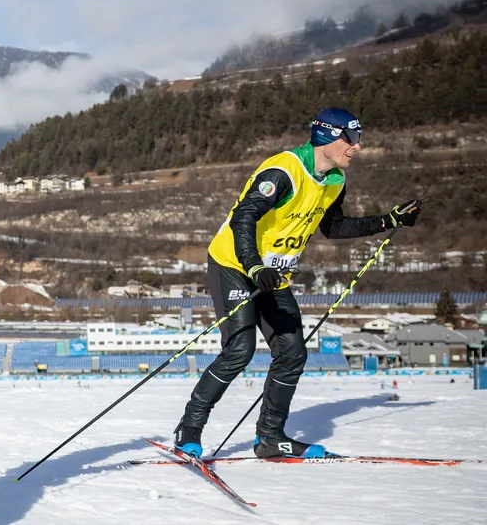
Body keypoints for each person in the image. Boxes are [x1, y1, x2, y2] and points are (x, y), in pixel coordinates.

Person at [173, 108, 424, 459]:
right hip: (234, 264)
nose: (357, 146)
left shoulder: (334, 179)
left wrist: (388, 221)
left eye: (359, 138)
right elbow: (243, 217)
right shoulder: (284, 170)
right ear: (327, 136)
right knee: (238, 351)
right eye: (351, 138)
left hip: (272, 274)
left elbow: (333, 227)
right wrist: (254, 265)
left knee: (292, 353)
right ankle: (189, 429)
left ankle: (270, 437)